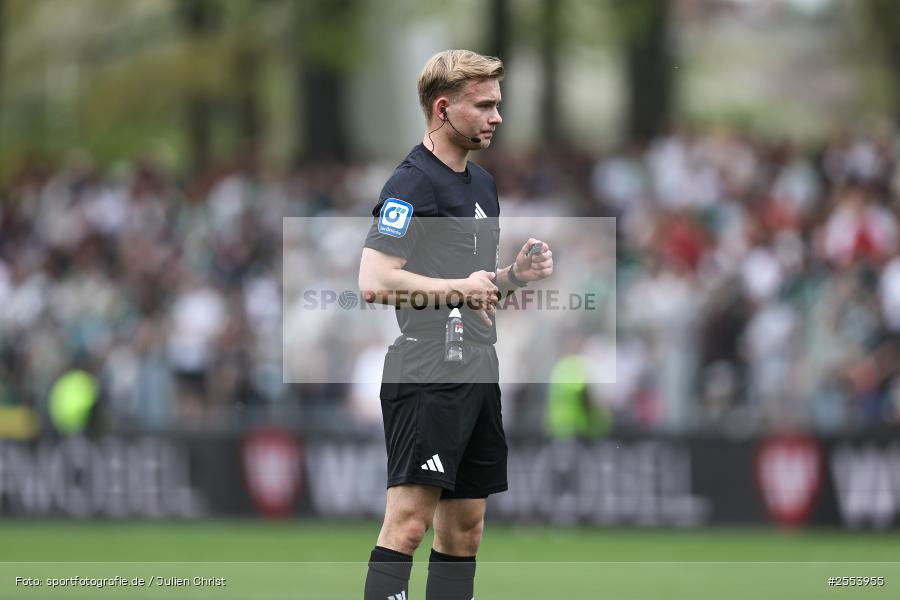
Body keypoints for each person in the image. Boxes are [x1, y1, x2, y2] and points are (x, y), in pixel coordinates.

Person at [358, 49, 554, 600]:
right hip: (426, 366)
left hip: (476, 364)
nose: (497, 117)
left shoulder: (482, 185)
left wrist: (512, 276)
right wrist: (461, 289)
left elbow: (471, 286)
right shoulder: (410, 185)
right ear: (443, 109)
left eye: (498, 104)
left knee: (466, 530)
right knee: (409, 523)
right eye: (484, 105)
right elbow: (373, 280)